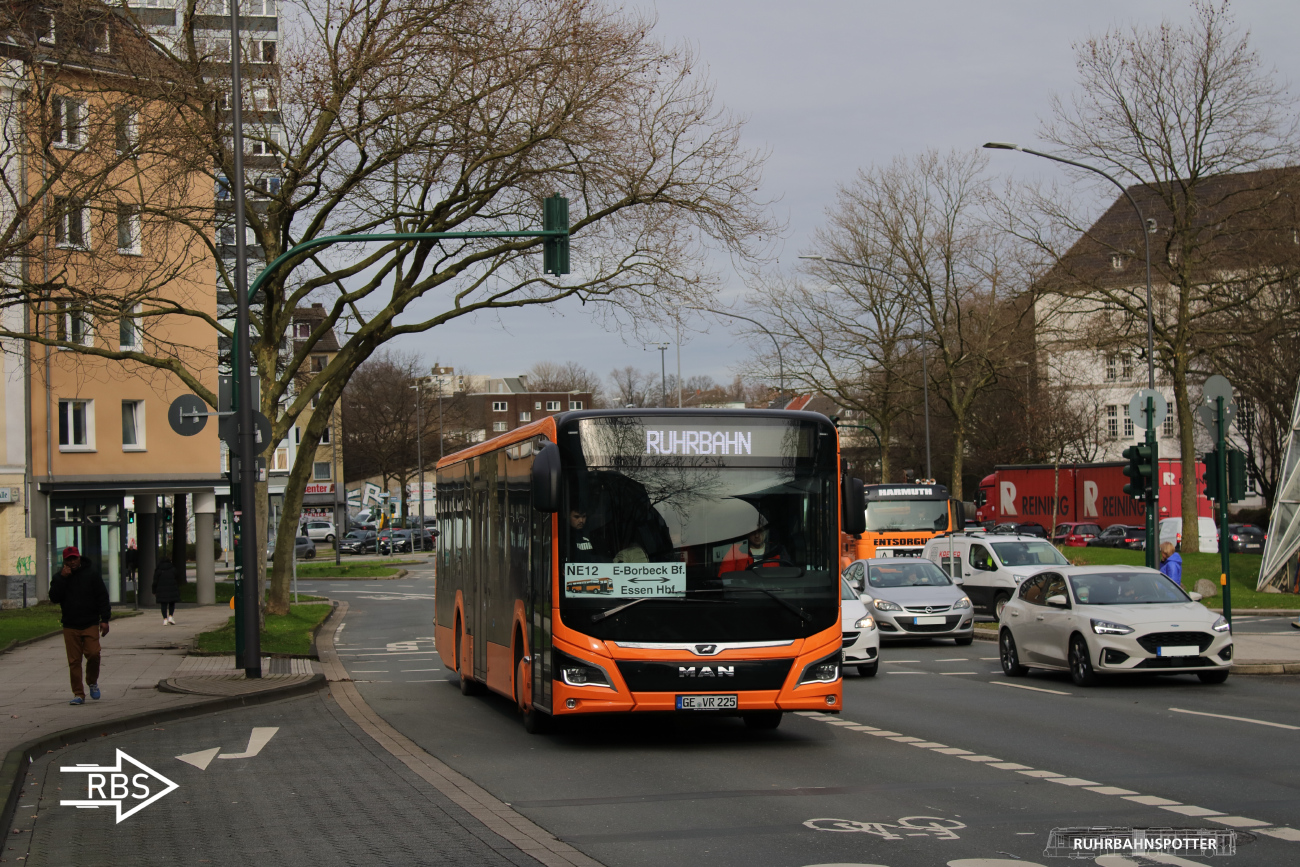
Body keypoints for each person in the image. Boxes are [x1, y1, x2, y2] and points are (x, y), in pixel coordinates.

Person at [48, 546, 110, 705]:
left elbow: (102, 596)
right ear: (65, 561)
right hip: (70, 624)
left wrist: (105, 619)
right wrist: (62, 579)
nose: (72, 562)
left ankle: (92, 681)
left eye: (75, 558)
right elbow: (54, 597)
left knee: (94, 653)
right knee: (74, 661)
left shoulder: (91, 574)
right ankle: (78, 693)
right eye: (69, 559)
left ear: (79, 558)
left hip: (89, 622)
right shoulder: (59, 577)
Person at [720, 516, 790, 574]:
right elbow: (725, 575)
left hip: (771, 589)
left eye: (760, 531)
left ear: (766, 532)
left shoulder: (777, 549)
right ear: (747, 533)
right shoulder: (735, 550)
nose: (757, 535)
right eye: (753, 532)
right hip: (745, 589)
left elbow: (788, 573)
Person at [153, 556, 180, 625]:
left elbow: (155, 581)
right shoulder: (173, 569)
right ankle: (170, 616)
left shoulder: (158, 570)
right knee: (172, 603)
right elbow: (177, 579)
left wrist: (154, 590)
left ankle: (165, 619)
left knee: (163, 604)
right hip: (171, 588)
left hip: (161, 589)